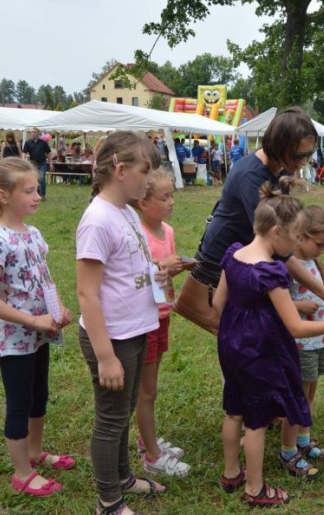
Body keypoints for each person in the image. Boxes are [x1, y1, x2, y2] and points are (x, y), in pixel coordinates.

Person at [213, 180, 324, 507]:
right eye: (295, 237)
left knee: (234, 411)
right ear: (277, 232)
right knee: (256, 423)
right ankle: (255, 489)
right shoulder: (270, 273)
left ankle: (231, 472)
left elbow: (217, 303)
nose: (295, 245)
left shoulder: (233, 254)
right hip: (258, 353)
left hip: (230, 347)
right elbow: (295, 326)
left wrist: (237, 331)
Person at [174, 107, 324, 335]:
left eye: (309, 154)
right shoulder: (252, 176)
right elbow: (278, 243)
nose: (304, 161)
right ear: (279, 146)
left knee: (245, 330)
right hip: (220, 262)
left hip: (244, 258)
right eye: (298, 155)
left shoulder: (279, 168)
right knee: (237, 332)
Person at [0, 158, 75, 497]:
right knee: (19, 402)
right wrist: (32, 320)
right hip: (14, 338)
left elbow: (44, 277)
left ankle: (34, 452)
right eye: (29, 191)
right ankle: (22, 473)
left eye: (37, 189)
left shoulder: (33, 233)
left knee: (38, 395)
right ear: (3, 196)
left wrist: (57, 309)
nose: (37, 196)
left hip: (39, 334)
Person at [76, 131, 169, 515]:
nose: (149, 180)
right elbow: (87, 293)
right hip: (112, 338)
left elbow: (128, 267)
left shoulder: (127, 212)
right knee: (111, 419)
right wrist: (105, 356)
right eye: (145, 171)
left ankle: (124, 478)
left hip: (134, 330)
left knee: (124, 411)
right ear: (120, 170)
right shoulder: (98, 221)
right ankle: (109, 501)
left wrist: (156, 270)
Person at [131, 169, 194, 478]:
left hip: (162, 316)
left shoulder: (167, 231)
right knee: (147, 391)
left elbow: (163, 276)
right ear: (143, 203)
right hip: (144, 320)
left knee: (151, 387)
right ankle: (152, 455)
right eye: (164, 197)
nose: (172, 202)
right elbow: (134, 279)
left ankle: (148, 439)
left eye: (172, 196)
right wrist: (159, 266)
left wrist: (177, 268)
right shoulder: (137, 235)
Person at [281, 205, 324, 477]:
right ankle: (288, 449)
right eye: (319, 244)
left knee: (310, 392)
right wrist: (298, 305)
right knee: (298, 397)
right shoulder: (287, 265)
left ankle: (303, 439)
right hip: (300, 344)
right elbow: (273, 300)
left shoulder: (312, 261)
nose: (322, 250)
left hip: (317, 341)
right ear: (300, 235)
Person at [22, 128, 51, 201]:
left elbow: (48, 152)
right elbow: (24, 152)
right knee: (34, 179)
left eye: (34, 132)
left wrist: (51, 162)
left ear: (38, 133)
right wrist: (23, 161)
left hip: (42, 163)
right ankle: (36, 194)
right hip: (33, 164)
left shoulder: (43, 143)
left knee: (42, 178)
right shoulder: (28, 143)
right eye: (32, 132)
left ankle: (43, 195)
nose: (33, 133)